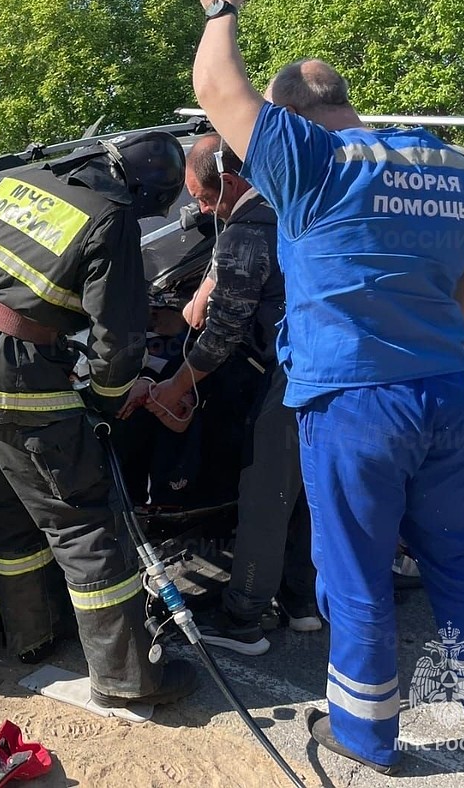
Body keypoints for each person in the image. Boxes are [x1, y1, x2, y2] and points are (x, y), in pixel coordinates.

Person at [190, 0, 464, 772]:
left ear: (285, 115)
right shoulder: (451, 165)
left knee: (353, 571)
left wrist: (223, 3)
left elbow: (214, 84)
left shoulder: (309, 160)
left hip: (354, 401)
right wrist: (438, 335)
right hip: (444, 393)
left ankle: (361, 732)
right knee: (457, 556)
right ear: (348, 97)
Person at [0, 130, 199, 711]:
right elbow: (121, 341)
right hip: (17, 379)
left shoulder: (24, 181)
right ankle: (127, 678)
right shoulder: (110, 219)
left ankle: (32, 636)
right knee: (87, 523)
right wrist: (107, 403)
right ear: (140, 190)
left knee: (13, 510)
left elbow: (15, 280)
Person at [125, 134, 318, 656]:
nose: (201, 209)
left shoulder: (246, 232)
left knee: (265, 500)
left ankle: (243, 624)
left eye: (205, 200)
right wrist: (208, 280)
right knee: (302, 497)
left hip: (293, 375)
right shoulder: (293, 206)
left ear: (230, 184)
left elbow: (220, 337)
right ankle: (302, 604)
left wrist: (175, 384)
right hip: (325, 368)